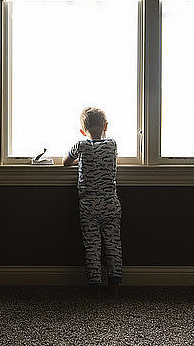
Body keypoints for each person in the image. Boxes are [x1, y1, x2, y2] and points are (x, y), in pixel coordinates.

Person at [63, 107, 122, 297]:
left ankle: (95, 285)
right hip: (111, 204)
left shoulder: (80, 145)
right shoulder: (112, 144)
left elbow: (65, 162)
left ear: (82, 130)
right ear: (106, 126)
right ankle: (114, 284)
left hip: (89, 207)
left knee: (92, 245)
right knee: (113, 244)